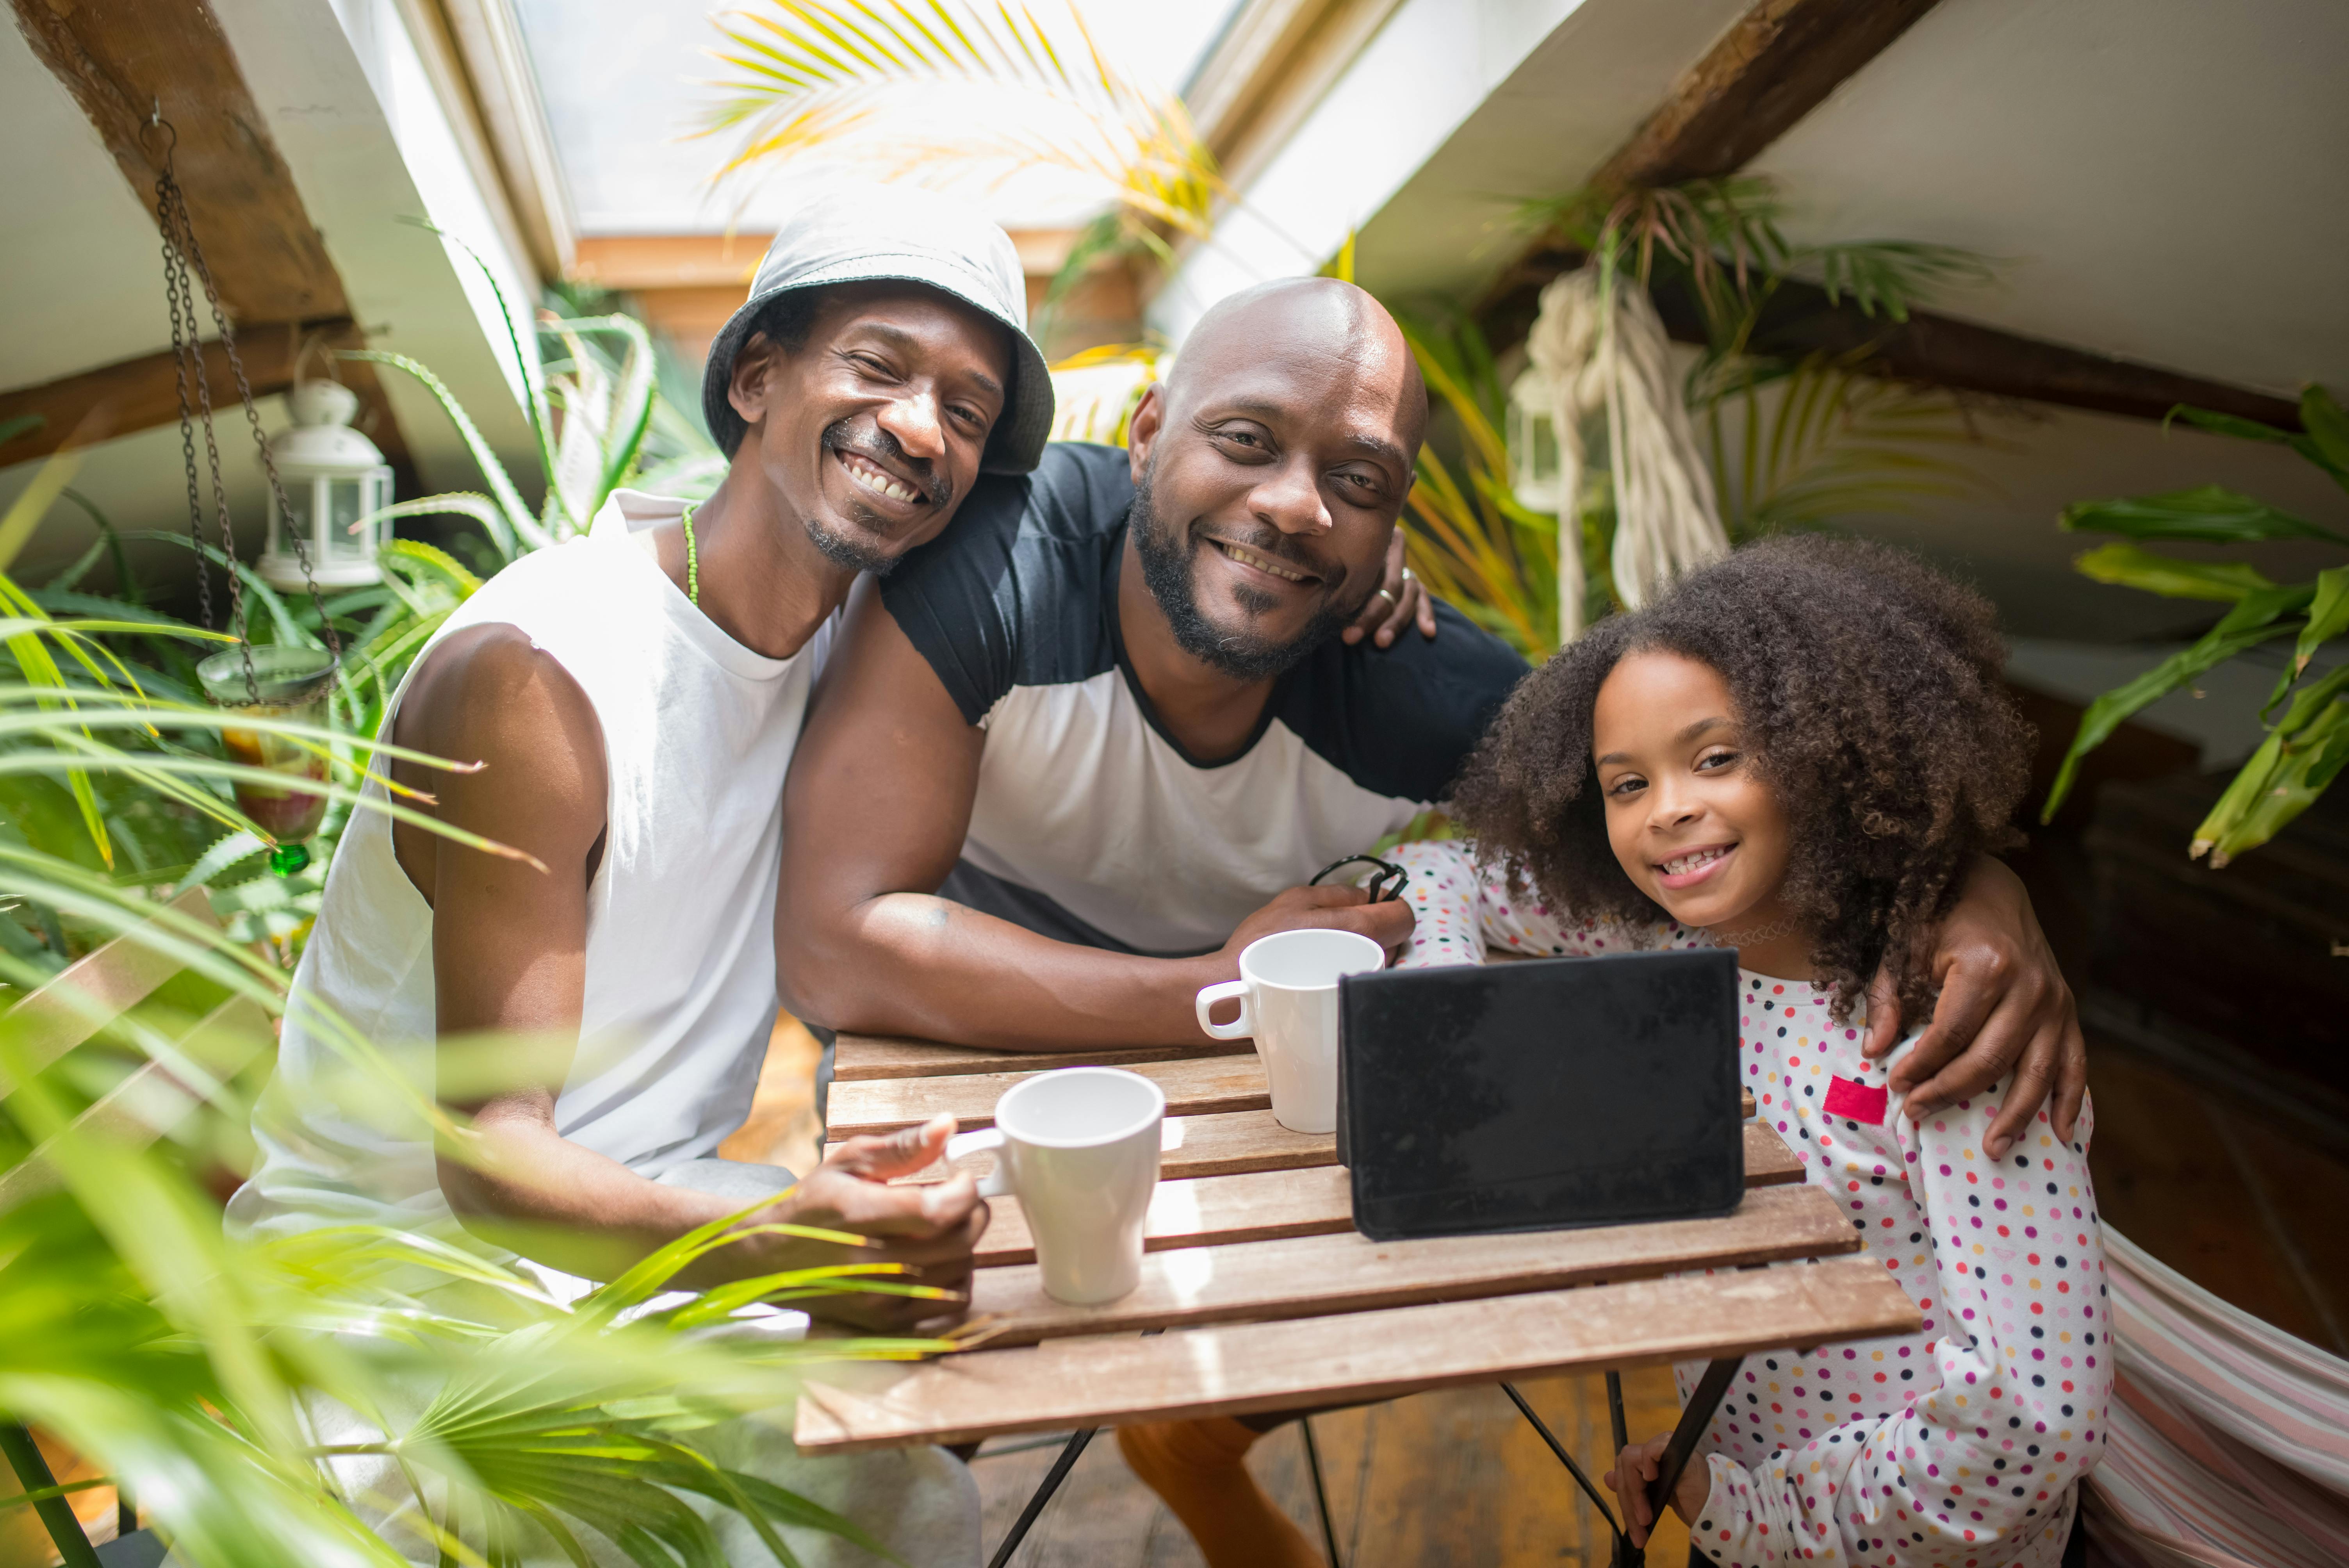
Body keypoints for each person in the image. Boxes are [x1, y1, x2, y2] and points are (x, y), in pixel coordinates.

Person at [226, 186, 1057, 1566]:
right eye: (878, 366)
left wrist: (1367, 582)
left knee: (915, 1444)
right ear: (753, 376)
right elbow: (489, 1158)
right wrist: (788, 1242)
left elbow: (1130, 538)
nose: (922, 429)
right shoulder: (544, 676)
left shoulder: (859, 644)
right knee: (849, 1492)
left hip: (643, 1228)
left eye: (968, 413)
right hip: (407, 1290)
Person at [1399, 536, 2107, 1567]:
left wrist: (1755, 1515)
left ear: (1831, 747)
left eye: (1716, 758)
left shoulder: (1949, 1026)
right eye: (1626, 783)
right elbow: (1432, 868)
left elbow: (2034, 1421)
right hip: (1730, 1506)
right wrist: (1444, 987)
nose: (1670, 808)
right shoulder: (1677, 941)